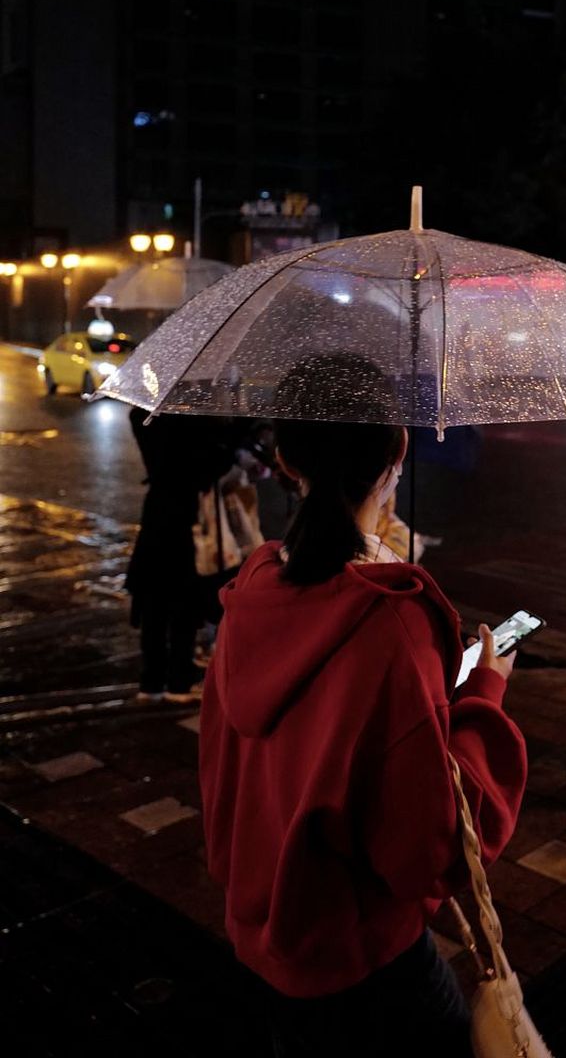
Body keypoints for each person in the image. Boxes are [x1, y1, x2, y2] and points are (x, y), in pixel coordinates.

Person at [198, 359, 527, 1058]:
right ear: (400, 449)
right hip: (363, 971)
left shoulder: (253, 592)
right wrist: (484, 694)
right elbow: (430, 850)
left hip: (258, 950)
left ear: (284, 459)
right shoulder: (389, 620)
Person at [126, 408, 236, 703]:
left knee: (154, 606)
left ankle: (150, 682)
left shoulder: (145, 417)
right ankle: (179, 682)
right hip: (186, 521)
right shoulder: (195, 423)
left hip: (155, 518)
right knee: (183, 604)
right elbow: (211, 469)